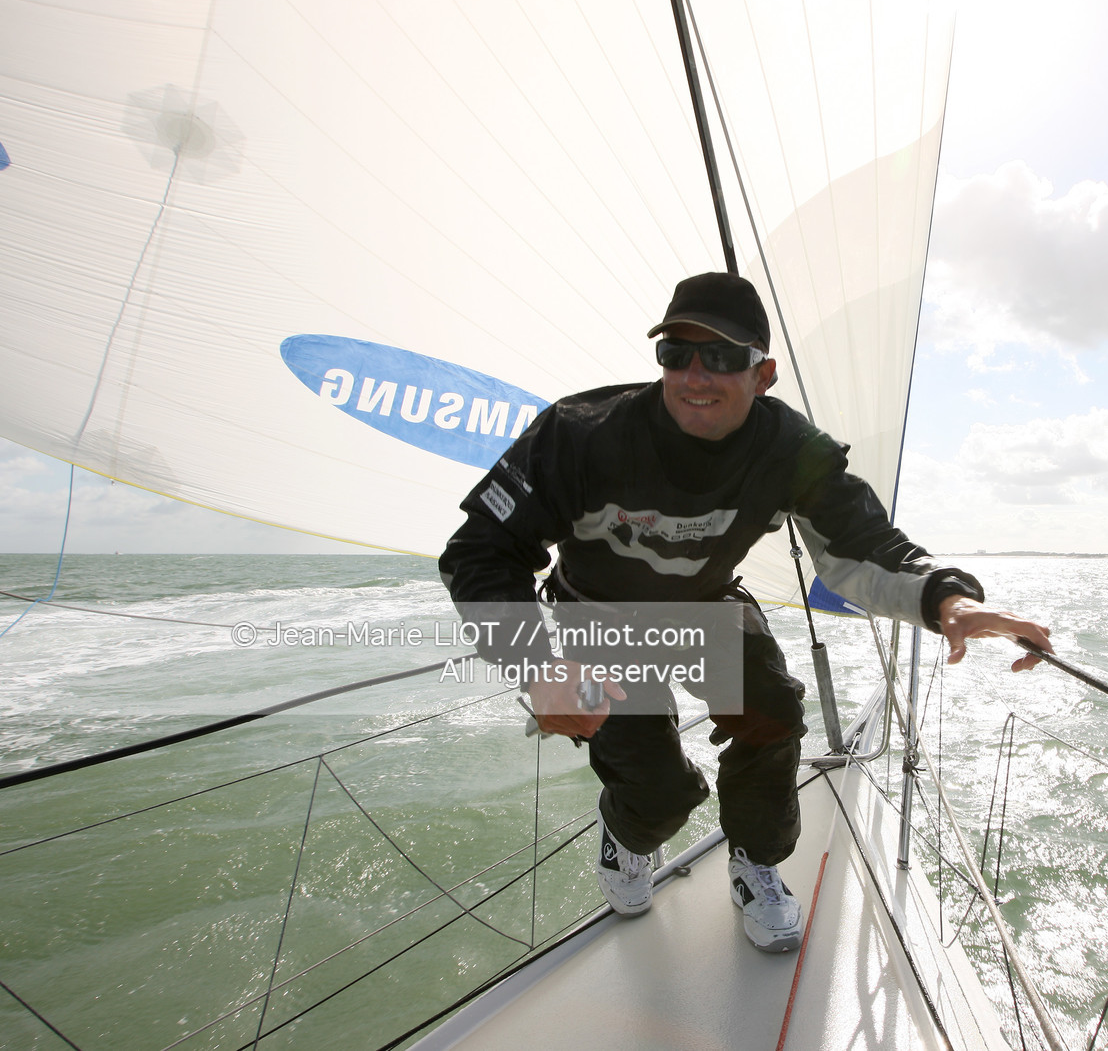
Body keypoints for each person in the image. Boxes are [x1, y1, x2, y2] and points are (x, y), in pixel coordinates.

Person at [439, 272, 1053, 952]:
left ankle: (754, 861)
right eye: (676, 353)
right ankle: (626, 835)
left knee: (774, 714)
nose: (695, 375)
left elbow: (864, 545)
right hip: (598, 619)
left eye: (722, 356)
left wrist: (948, 601)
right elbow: (481, 549)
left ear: (763, 374)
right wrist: (537, 666)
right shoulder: (578, 434)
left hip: (704, 608)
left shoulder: (790, 450)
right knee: (658, 795)